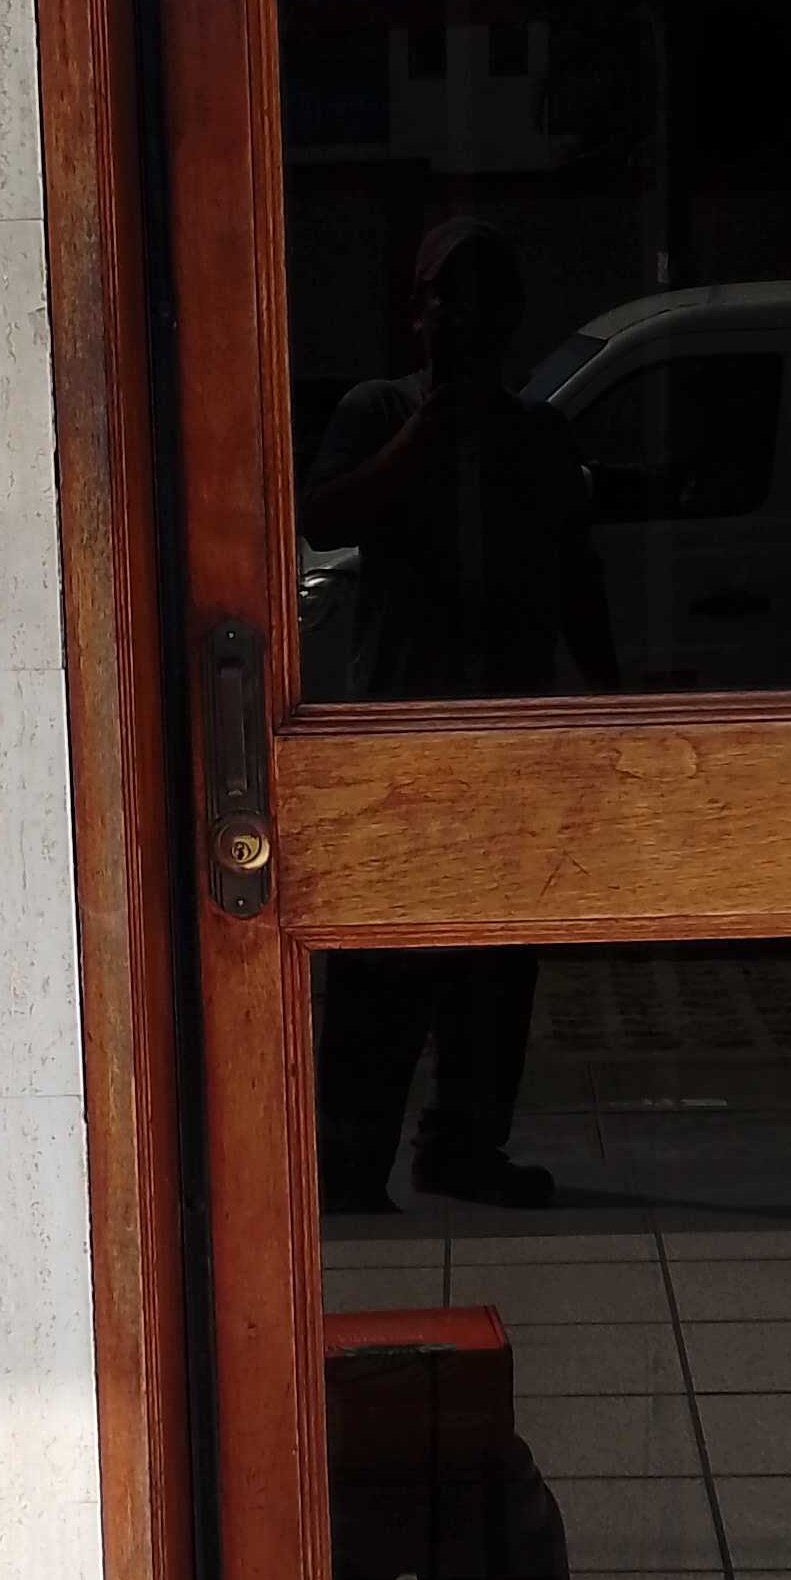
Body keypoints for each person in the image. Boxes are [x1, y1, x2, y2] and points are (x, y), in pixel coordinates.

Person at [302, 219, 617, 1213]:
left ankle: (462, 1146)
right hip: (398, 744)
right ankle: (346, 1163)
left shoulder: (538, 437)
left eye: (483, 300)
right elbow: (325, 516)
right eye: (446, 296)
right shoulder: (377, 410)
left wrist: (618, 708)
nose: (463, 318)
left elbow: (577, 579)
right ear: (417, 313)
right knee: (380, 964)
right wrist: (420, 439)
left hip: (508, 745)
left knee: (496, 958)